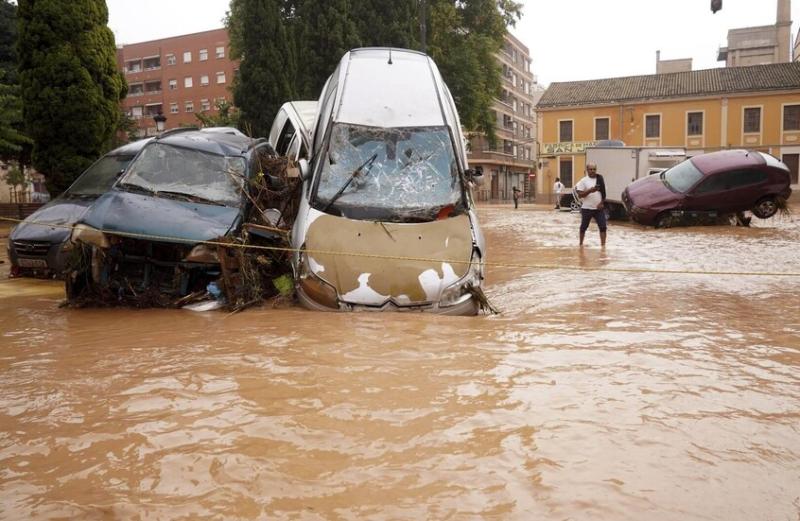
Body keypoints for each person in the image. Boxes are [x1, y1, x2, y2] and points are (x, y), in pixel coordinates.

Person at [575, 162, 607, 247]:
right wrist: (590, 190)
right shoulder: (583, 181)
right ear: (587, 170)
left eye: (594, 169)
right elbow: (580, 195)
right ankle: (581, 244)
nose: (592, 171)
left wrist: (601, 203)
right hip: (587, 208)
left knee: (603, 227)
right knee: (583, 227)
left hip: (598, 209)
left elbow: (604, 193)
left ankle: (603, 247)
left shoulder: (600, 179)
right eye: (590, 169)